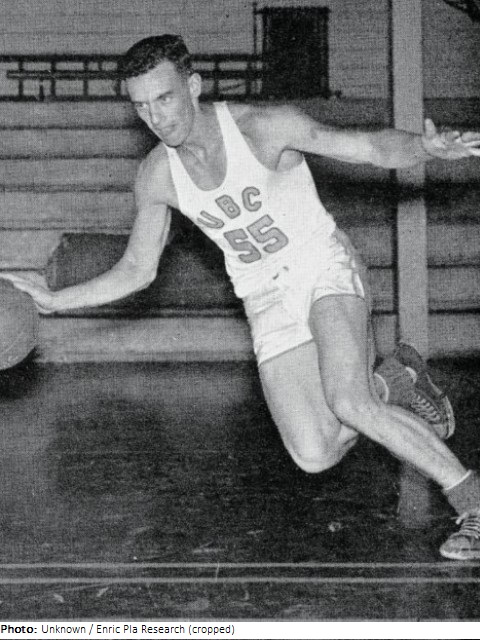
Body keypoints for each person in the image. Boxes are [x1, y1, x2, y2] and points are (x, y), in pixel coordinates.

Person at [4, 35, 480, 560]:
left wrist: (424, 147)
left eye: (164, 98)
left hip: (322, 267)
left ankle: (471, 501)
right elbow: (137, 270)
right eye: (141, 107)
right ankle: (395, 381)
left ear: (193, 86)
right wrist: (55, 300)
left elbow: (367, 148)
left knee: (349, 401)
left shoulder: (261, 127)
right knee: (315, 452)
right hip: (265, 297)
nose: (156, 118)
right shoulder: (158, 175)